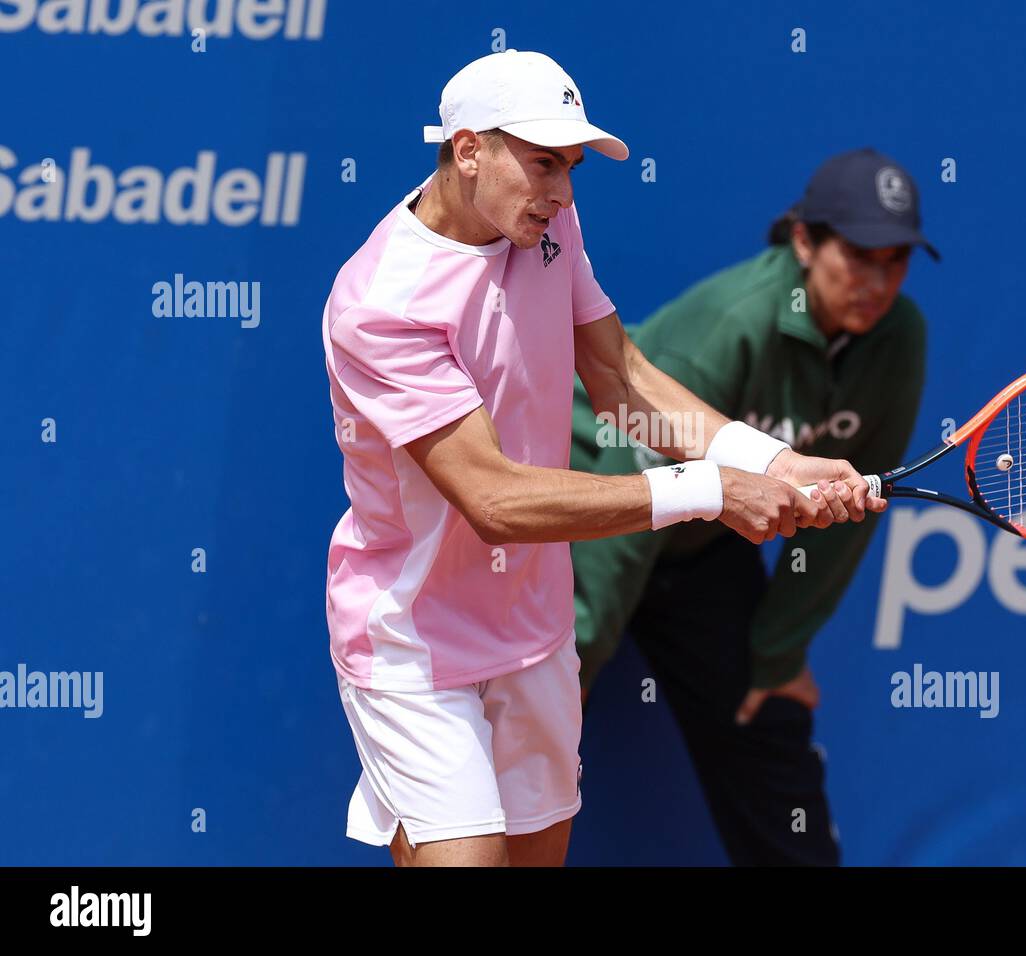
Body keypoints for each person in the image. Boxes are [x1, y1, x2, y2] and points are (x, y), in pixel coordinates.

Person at [320, 50, 885, 868]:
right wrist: (708, 490)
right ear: (469, 148)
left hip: (535, 627)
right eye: (543, 163)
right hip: (415, 640)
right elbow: (495, 501)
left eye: (572, 167)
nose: (562, 192)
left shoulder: (546, 225)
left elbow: (622, 378)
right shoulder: (380, 305)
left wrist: (775, 461)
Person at [570, 148, 935, 866]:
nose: (877, 282)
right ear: (805, 240)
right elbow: (623, 515)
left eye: (896, 262)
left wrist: (777, 655)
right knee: (527, 746)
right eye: (859, 256)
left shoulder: (900, 340)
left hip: (702, 544)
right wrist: (567, 674)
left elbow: (844, 527)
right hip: (595, 512)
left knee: (767, 716)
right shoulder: (731, 323)